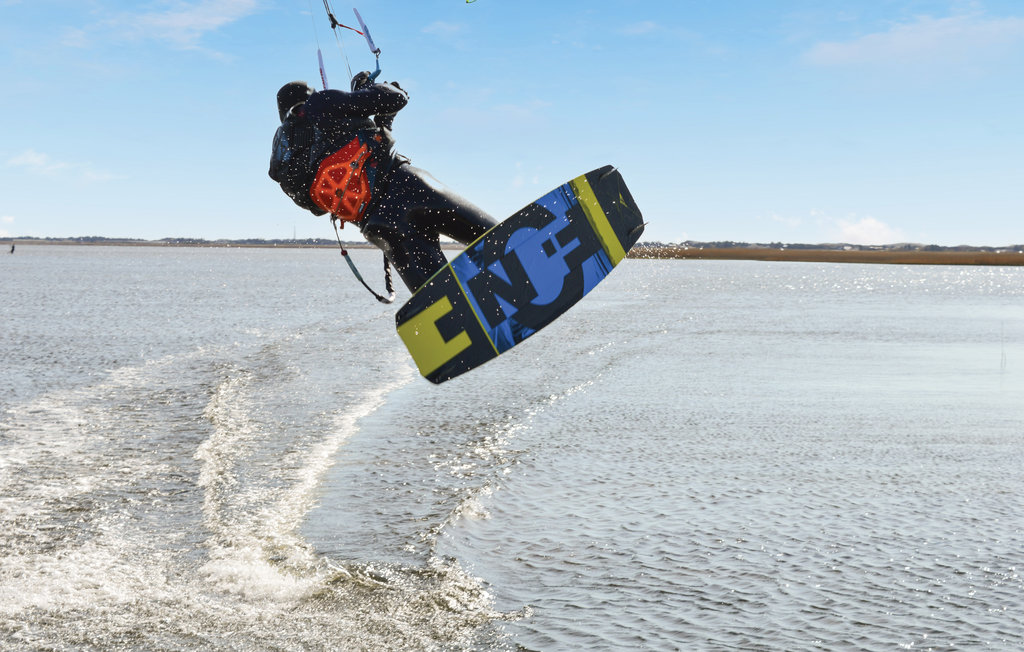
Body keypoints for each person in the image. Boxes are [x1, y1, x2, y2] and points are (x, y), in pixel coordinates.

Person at [269, 74, 498, 292]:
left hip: (380, 226)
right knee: (496, 241)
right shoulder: (319, 104)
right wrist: (372, 89)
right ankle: (521, 260)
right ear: (308, 97)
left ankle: (455, 321)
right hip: (406, 188)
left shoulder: (284, 164)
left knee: (441, 297)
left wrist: (377, 119)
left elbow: (319, 206)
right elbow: (395, 98)